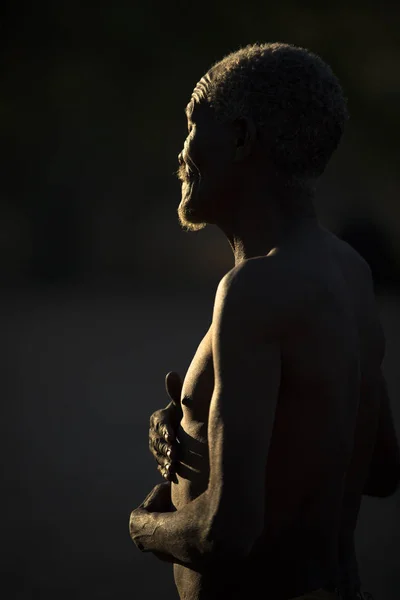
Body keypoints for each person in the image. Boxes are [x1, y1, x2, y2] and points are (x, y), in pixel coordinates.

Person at [129, 43, 400, 600]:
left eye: (192, 126)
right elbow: (379, 469)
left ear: (241, 139)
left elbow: (225, 534)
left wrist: (144, 527)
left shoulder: (253, 291)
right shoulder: (349, 272)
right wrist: (189, 426)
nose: (181, 152)